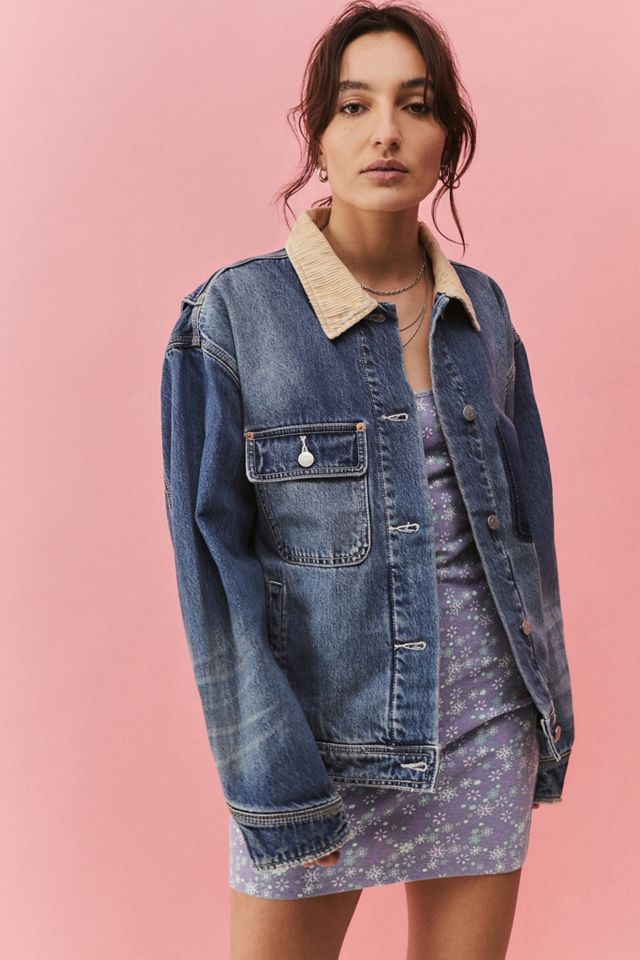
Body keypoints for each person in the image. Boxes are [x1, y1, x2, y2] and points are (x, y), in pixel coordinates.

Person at [160, 3, 575, 957]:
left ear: (447, 140)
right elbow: (212, 573)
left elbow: (527, 535)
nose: (385, 131)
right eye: (354, 106)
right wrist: (275, 781)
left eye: (415, 105)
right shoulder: (234, 317)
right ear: (318, 135)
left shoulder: (486, 312)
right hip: (318, 747)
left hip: (486, 723)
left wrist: (550, 715)